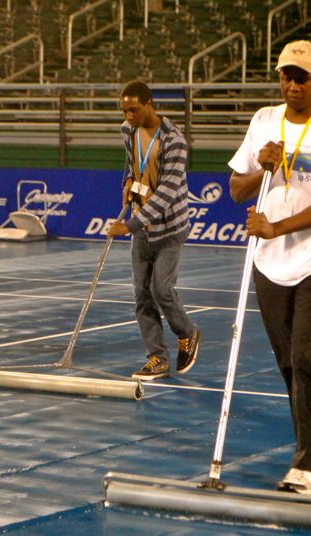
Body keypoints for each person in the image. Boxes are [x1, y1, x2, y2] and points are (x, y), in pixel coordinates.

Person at [228, 41, 311, 495]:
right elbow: (236, 190)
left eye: (301, 76)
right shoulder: (264, 120)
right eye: (286, 75)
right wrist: (258, 169)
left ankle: (304, 465)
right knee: (289, 363)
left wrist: (276, 227)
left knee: (306, 354)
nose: (292, 84)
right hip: (270, 264)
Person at [107, 80, 201, 381]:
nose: (129, 116)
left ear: (150, 105)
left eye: (134, 110)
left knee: (162, 289)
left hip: (170, 226)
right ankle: (157, 358)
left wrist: (129, 225)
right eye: (124, 111)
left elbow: (167, 194)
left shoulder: (174, 140)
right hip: (142, 225)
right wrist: (127, 182)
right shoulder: (128, 130)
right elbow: (132, 164)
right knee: (141, 295)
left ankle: (187, 332)